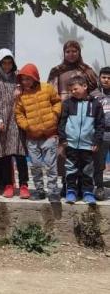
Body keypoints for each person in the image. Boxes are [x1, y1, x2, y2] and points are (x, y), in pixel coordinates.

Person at [14, 63, 62, 202]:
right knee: (35, 165)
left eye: (28, 78)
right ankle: (39, 190)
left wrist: (54, 115)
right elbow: (18, 114)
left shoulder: (47, 88)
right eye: (23, 79)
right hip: (32, 137)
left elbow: (57, 101)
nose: (25, 82)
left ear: (35, 77)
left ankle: (53, 191)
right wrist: (26, 126)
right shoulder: (21, 95)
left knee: (51, 165)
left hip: (50, 135)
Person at [0, 49, 28, 199]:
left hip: (17, 118)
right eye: (3, 63)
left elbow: (29, 88)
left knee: (20, 152)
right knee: (5, 153)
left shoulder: (18, 76)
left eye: (9, 62)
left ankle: (24, 184)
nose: (7, 66)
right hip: (3, 120)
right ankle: (8, 184)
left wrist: (20, 89)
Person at [59, 76, 104, 205]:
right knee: (71, 168)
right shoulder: (68, 103)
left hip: (88, 145)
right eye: (71, 90)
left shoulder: (95, 104)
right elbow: (62, 122)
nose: (73, 92)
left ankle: (88, 192)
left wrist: (96, 141)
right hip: (71, 144)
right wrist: (63, 138)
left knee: (87, 170)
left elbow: (100, 125)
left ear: (84, 86)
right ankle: (71, 191)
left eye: (75, 89)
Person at [91, 67, 110, 200]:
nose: (106, 80)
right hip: (101, 133)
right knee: (98, 163)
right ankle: (99, 187)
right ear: (99, 78)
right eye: (104, 77)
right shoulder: (94, 95)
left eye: (109, 78)